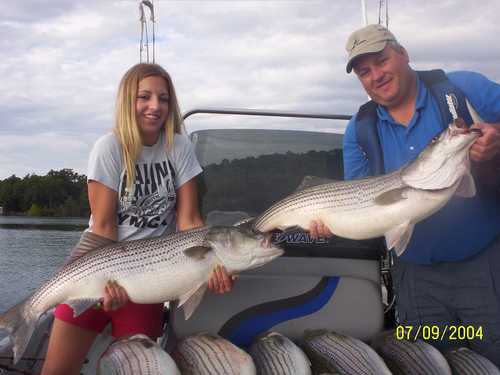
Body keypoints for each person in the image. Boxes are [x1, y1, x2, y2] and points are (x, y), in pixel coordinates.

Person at [41, 63, 234, 375]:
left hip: (151, 280)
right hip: (99, 269)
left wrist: (217, 263)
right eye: (144, 97)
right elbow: (103, 227)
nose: (155, 106)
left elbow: (189, 220)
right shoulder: (109, 147)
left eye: (163, 98)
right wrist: (102, 284)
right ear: (128, 101)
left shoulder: (179, 146)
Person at [341, 24, 500, 364]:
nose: (376, 76)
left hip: (483, 266)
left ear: (403, 54)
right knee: (428, 361)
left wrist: (497, 136)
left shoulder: (463, 88)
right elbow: (359, 201)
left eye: (381, 61)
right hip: (414, 276)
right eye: (364, 72)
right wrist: (327, 221)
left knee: (493, 353)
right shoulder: (359, 130)